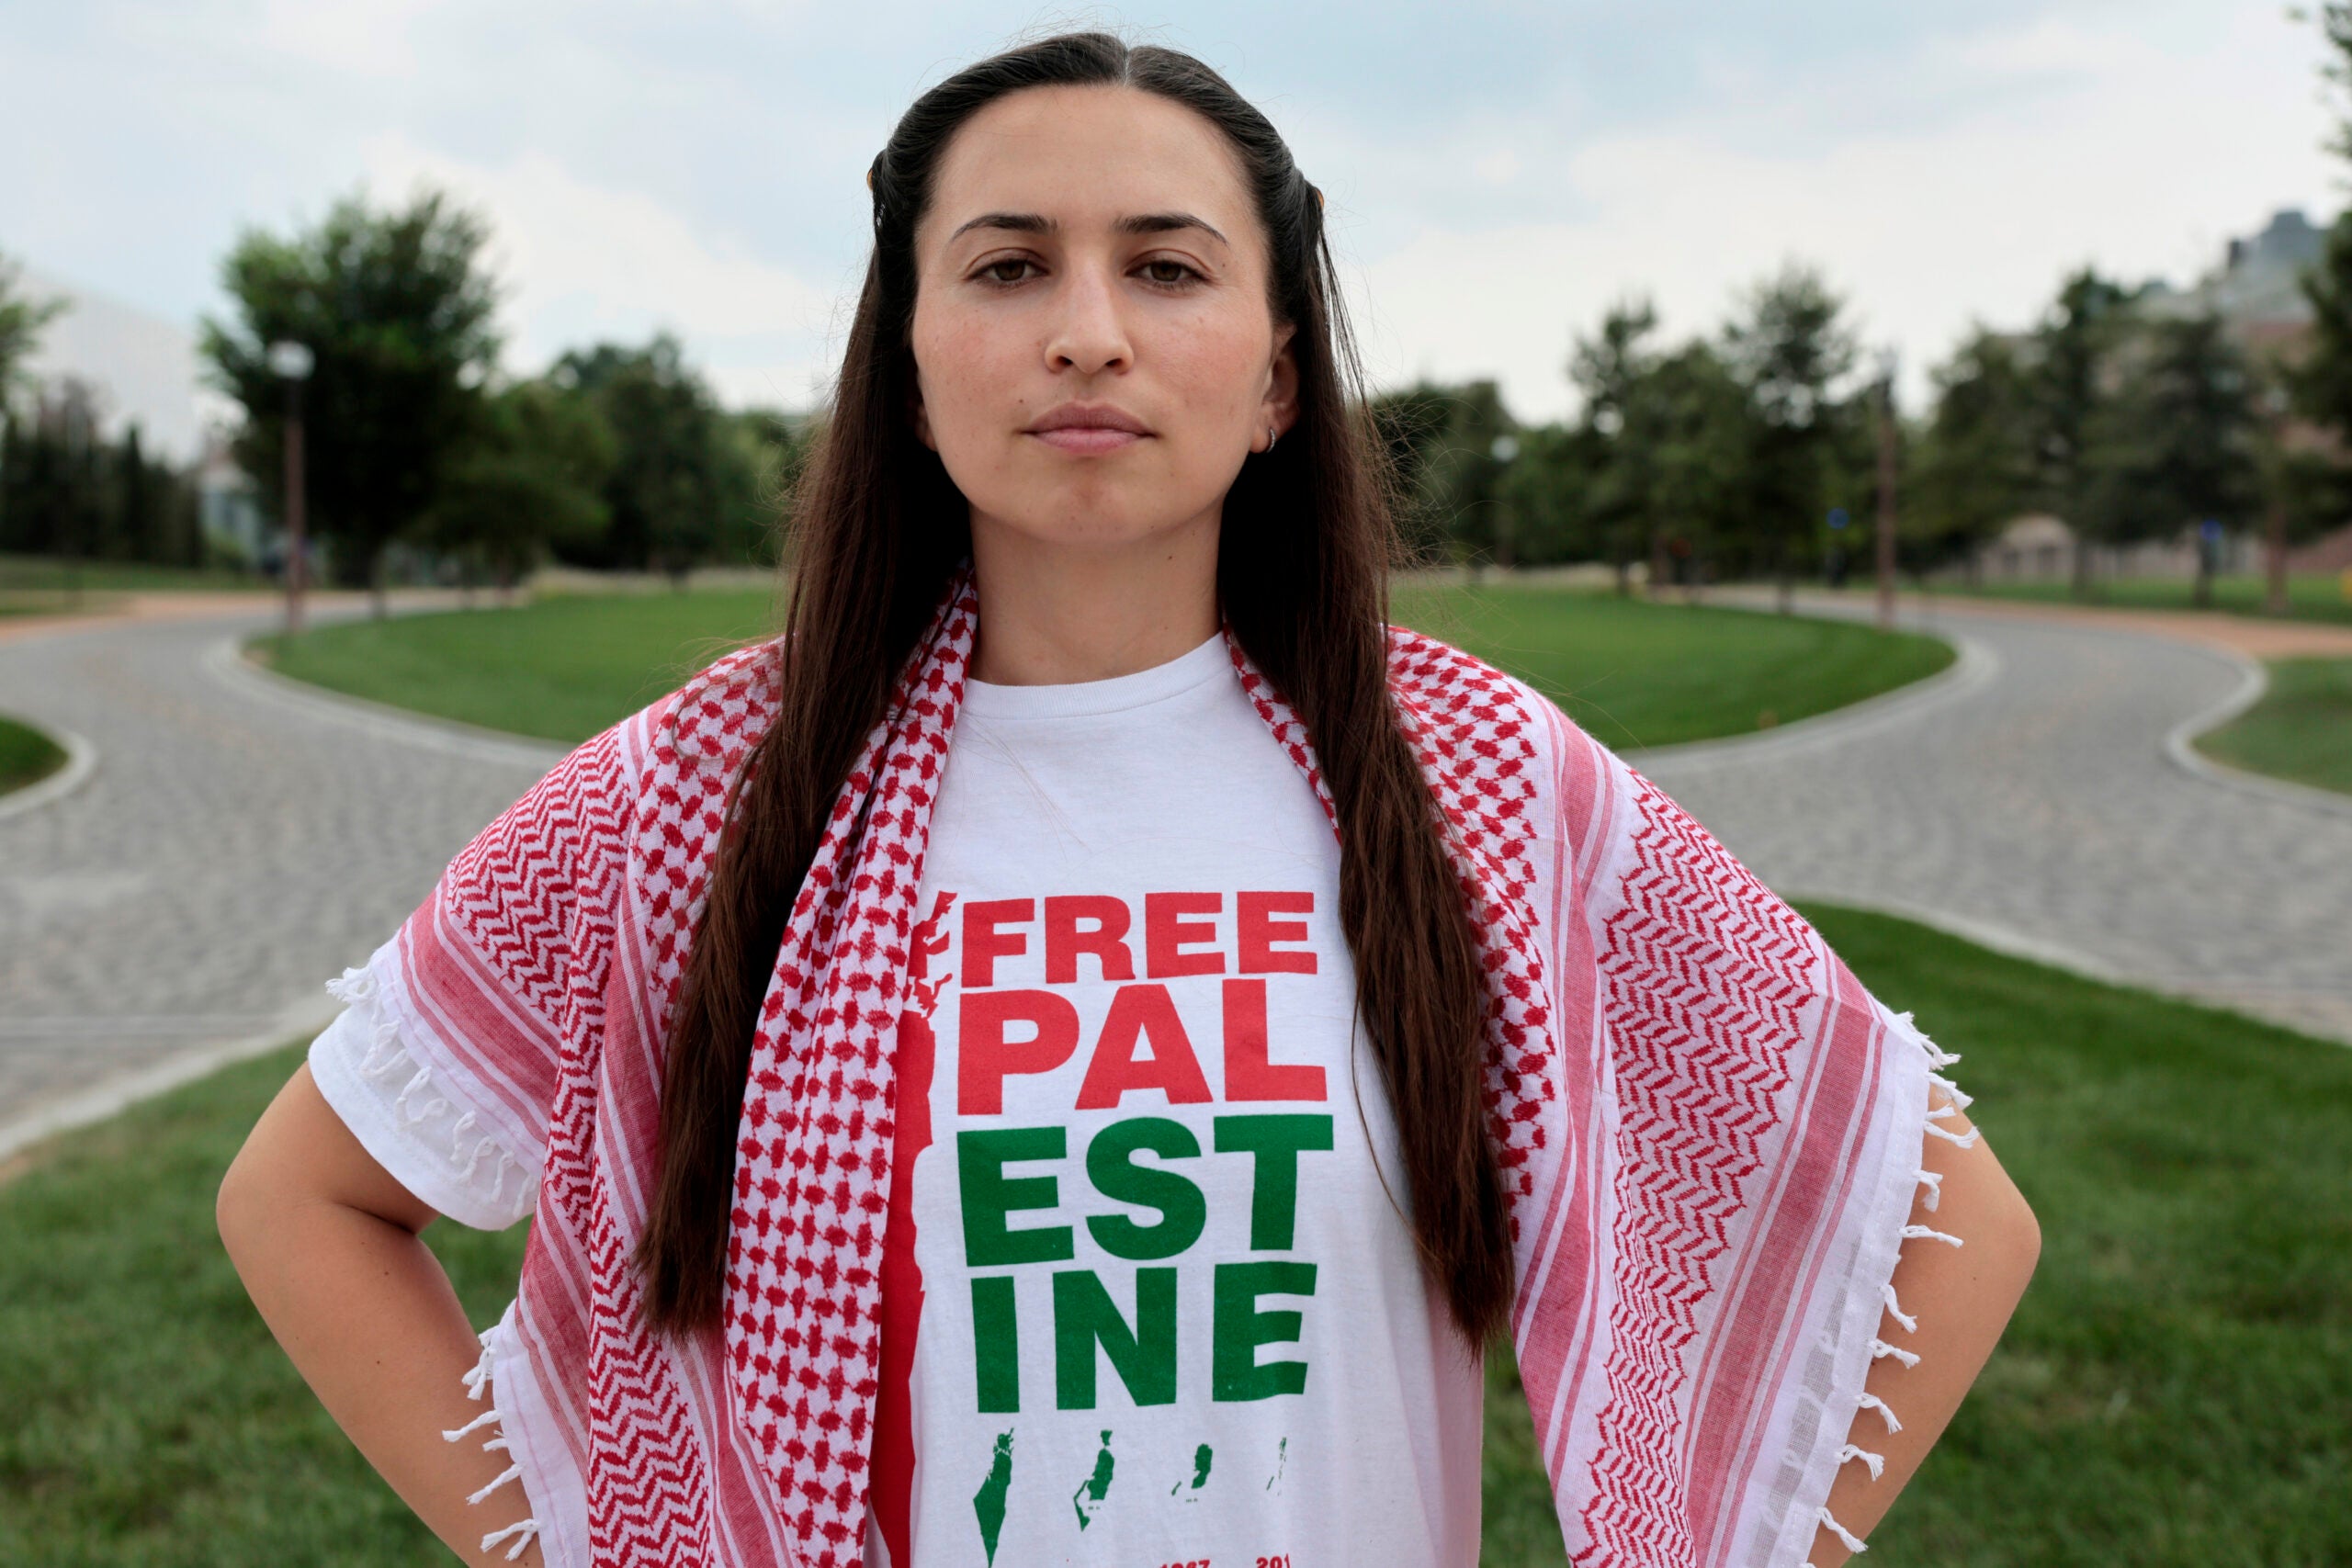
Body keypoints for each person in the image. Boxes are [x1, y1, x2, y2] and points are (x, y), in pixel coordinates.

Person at [216, 30, 2040, 1568]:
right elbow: (303, 1198)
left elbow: (1948, 1221)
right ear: (909, 362)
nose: (1085, 329)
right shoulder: (687, 801)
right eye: (1007, 267)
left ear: (1270, 378)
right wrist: (570, 1539)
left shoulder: (1477, 785)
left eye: (1165, 267)